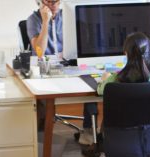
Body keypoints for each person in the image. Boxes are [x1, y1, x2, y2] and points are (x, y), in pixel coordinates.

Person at [25, 0, 97, 148]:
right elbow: (40, 52)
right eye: (49, 2)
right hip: (45, 68)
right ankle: (42, 138)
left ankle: (89, 129)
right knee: (42, 97)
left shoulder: (68, 17)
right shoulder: (32, 20)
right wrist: (45, 22)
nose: (54, 5)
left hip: (69, 65)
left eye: (56, 1)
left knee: (92, 87)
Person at [85, 32, 150, 157]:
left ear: (126, 54)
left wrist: (105, 78)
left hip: (116, 138)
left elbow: (100, 90)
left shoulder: (114, 80)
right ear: (149, 54)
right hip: (148, 139)